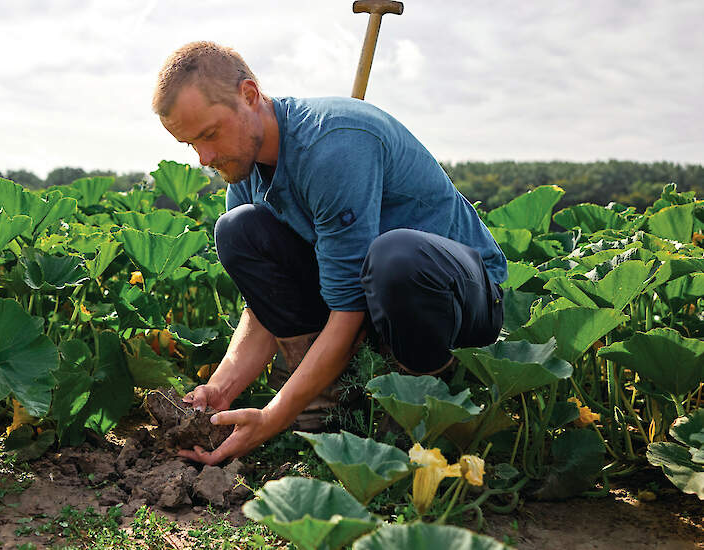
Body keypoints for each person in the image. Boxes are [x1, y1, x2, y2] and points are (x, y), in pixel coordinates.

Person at [152, 41, 507, 466]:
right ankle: (326, 407)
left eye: (209, 134)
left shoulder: (334, 144)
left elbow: (348, 311)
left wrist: (272, 415)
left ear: (249, 95)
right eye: (190, 144)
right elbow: (264, 310)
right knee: (238, 229)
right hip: (373, 305)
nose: (205, 157)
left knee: (395, 258)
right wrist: (222, 386)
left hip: (460, 300)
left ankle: (419, 410)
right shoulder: (244, 174)